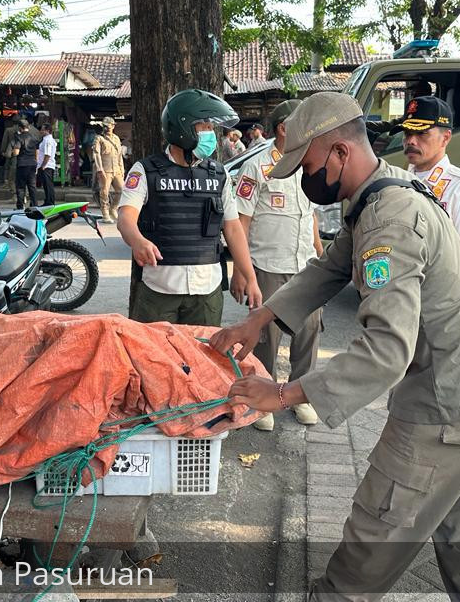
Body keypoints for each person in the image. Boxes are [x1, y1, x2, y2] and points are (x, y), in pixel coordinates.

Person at [210, 92, 460, 600]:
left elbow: (385, 351)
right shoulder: (385, 191)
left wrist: (283, 395)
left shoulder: (389, 221)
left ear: (339, 153)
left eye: (307, 165)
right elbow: (330, 265)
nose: (303, 179)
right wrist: (260, 318)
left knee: (364, 557)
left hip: (447, 407)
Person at [117, 89, 263, 326]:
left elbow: (234, 229)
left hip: (207, 290)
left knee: (202, 359)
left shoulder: (219, 174)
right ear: (182, 128)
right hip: (159, 289)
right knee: (154, 360)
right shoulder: (145, 170)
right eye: (204, 127)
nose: (211, 134)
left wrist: (250, 277)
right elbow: (125, 217)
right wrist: (137, 240)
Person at [235, 99, 323, 431]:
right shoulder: (257, 167)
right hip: (268, 264)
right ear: (284, 128)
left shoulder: (309, 163)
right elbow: (241, 222)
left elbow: (310, 214)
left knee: (309, 331)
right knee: (266, 335)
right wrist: (241, 272)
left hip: (306, 265)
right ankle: (263, 397)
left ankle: (301, 396)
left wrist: (319, 251)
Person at [398, 96, 460, 268]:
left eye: (421, 133)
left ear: (446, 138)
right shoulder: (398, 180)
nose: (411, 141)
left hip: (437, 292)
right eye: (407, 133)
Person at [92, 116, 125, 223]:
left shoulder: (116, 138)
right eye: (105, 126)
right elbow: (96, 154)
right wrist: (99, 169)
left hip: (116, 169)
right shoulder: (99, 138)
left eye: (109, 125)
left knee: (121, 190)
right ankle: (105, 213)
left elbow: (119, 155)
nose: (107, 128)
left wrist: (122, 168)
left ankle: (113, 209)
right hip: (105, 169)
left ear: (113, 126)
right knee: (104, 192)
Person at [10, 118, 41, 209]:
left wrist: (12, 150)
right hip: (32, 164)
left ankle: (20, 206)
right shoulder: (34, 137)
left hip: (22, 164)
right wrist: (36, 164)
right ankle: (35, 205)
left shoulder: (19, 138)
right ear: (28, 127)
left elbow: (16, 152)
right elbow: (37, 152)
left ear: (20, 127)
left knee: (20, 187)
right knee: (32, 186)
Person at [37, 121, 57, 206]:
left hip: (47, 166)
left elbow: (47, 154)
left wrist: (43, 165)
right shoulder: (47, 140)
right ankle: (48, 201)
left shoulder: (48, 140)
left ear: (47, 130)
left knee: (48, 185)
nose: (41, 131)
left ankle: (49, 202)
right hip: (47, 165)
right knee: (46, 185)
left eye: (42, 130)